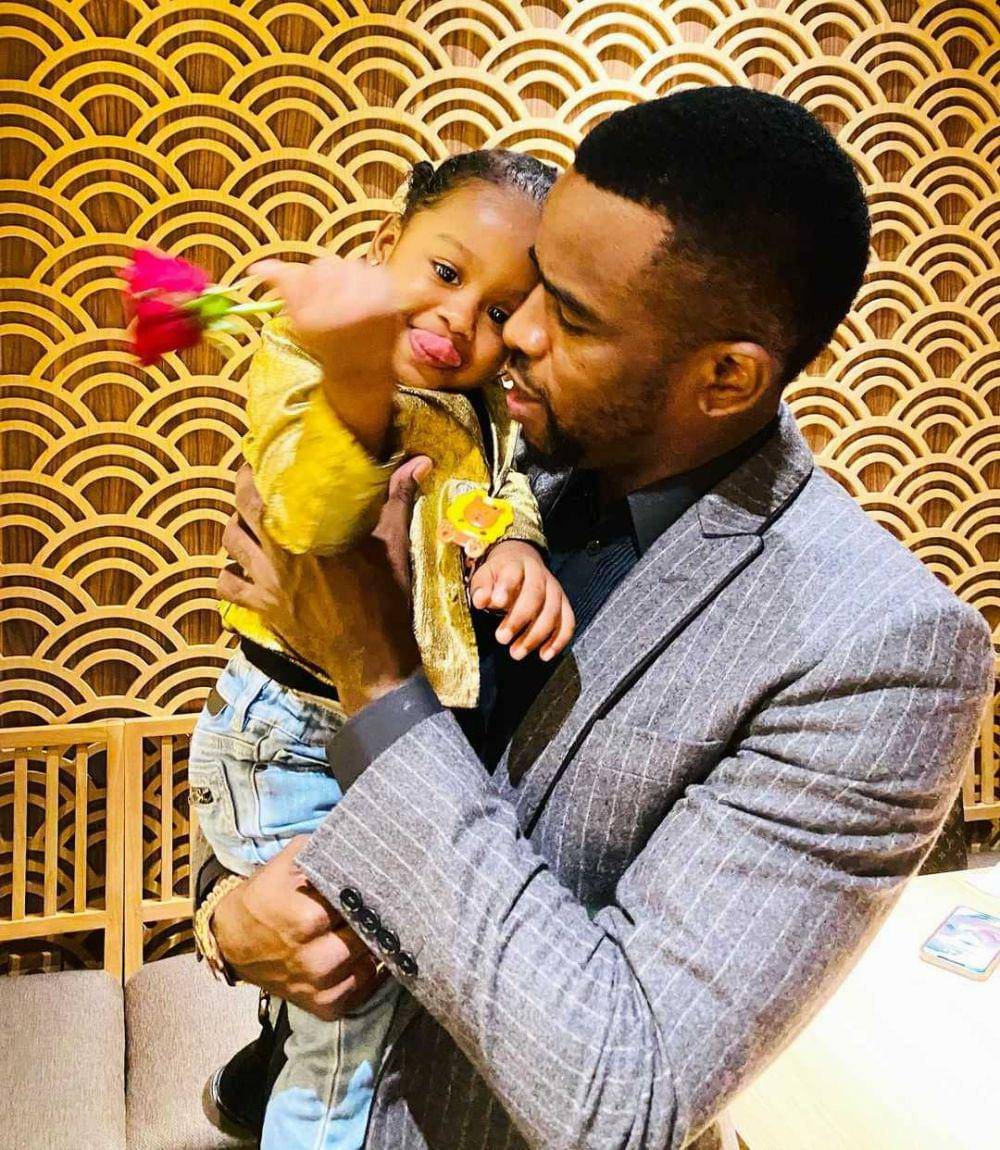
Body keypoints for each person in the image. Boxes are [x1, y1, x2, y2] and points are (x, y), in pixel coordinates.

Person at [201, 88, 993, 1150]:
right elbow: (276, 745)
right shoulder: (491, 451)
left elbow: (623, 1094)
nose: (515, 335)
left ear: (725, 377)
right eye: (530, 285)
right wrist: (225, 921)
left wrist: (375, 673)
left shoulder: (882, 648)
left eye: (568, 316)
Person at [189, 149, 576, 1150]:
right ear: (382, 246)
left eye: (501, 310)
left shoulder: (484, 408)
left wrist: (516, 547)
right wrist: (354, 377)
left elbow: (491, 491)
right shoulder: (307, 360)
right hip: (290, 728)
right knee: (348, 1014)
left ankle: (260, 1084)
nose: (460, 319)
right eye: (444, 273)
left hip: (384, 736)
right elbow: (309, 522)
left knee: (363, 991)